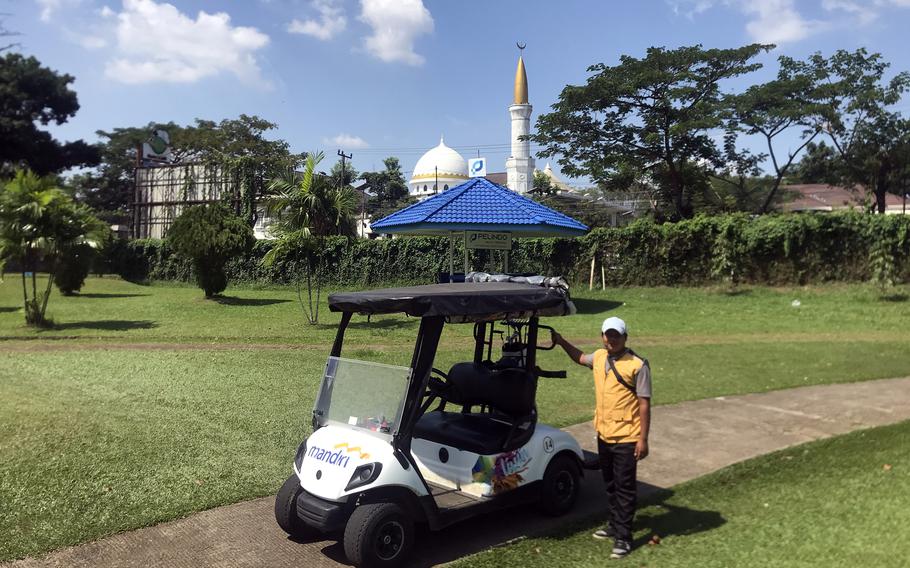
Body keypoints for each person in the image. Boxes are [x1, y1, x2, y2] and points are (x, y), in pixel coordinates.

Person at [552, 316, 651, 559]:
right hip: (604, 435)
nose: (612, 339)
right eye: (608, 335)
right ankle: (614, 524)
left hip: (627, 437)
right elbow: (579, 357)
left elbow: (644, 404)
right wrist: (561, 341)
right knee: (610, 484)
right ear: (603, 336)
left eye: (616, 335)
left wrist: (643, 439)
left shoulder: (637, 365)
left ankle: (624, 538)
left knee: (625, 488)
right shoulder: (598, 357)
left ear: (625, 337)